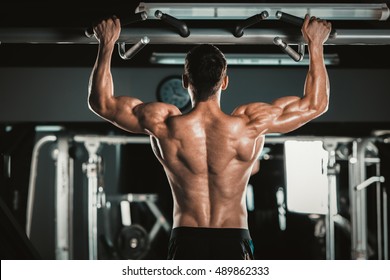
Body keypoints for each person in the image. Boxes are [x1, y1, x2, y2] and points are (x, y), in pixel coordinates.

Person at [88, 14, 331, 260]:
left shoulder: (164, 123)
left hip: (186, 238)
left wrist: (106, 44)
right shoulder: (249, 124)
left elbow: (102, 103)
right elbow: (315, 104)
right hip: (234, 237)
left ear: (185, 81)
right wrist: (316, 45)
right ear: (224, 82)